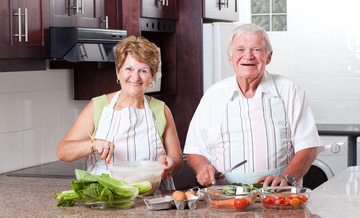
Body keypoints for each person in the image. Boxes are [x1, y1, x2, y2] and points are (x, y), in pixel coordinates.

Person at [184, 23, 324, 187]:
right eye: (240, 49)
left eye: (256, 49)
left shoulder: (289, 90)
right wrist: (202, 168)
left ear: (269, 57)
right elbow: (196, 148)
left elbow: (308, 147)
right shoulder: (213, 95)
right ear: (230, 58)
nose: (248, 56)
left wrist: (287, 177)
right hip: (226, 199)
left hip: (278, 197)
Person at [57, 36, 183, 189]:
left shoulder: (161, 110)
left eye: (143, 70)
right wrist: (93, 145)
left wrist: (171, 163)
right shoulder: (98, 106)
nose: (135, 77)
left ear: (152, 76)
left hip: (152, 200)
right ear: (118, 72)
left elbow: (177, 160)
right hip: (106, 198)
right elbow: (63, 151)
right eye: (128, 69)